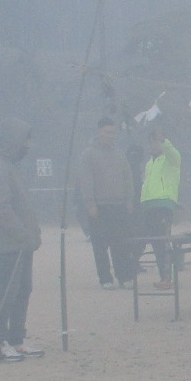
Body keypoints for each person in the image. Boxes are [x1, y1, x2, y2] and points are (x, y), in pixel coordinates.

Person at [0, 118, 43, 359]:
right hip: (11, 243)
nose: (28, 145)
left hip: (22, 242)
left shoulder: (10, 166)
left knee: (23, 289)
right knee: (8, 290)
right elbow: (0, 208)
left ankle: (17, 338)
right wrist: (22, 233)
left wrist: (32, 233)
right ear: (13, 141)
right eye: (25, 140)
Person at [75, 119, 137, 289]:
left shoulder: (120, 154)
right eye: (107, 132)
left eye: (113, 133)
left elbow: (128, 178)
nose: (111, 136)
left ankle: (124, 275)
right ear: (99, 132)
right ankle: (105, 278)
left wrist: (129, 199)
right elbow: (86, 181)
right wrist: (90, 204)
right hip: (99, 207)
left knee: (121, 244)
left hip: (119, 206)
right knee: (100, 245)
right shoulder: (88, 155)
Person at [138, 128, 181, 289]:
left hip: (164, 204)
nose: (153, 145)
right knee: (155, 242)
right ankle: (163, 276)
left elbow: (172, 152)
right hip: (149, 205)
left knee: (163, 241)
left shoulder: (171, 159)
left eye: (156, 142)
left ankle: (167, 277)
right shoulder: (149, 163)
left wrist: (163, 140)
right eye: (151, 142)